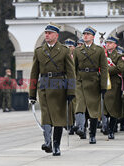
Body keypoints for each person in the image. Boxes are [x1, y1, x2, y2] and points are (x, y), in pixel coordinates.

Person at [29, 22, 75, 156]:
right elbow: (34, 74)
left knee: (58, 119)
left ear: (56, 35)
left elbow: (71, 72)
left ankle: (56, 145)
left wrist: (71, 91)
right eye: (46, 33)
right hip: (43, 86)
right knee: (46, 116)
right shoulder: (39, 51)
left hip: (59, 87)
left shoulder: (64, 50)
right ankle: (47, 142)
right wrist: (32, 94)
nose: (47, 35)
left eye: (49, 33)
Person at [73, 26, 108, 144]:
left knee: (93, 111)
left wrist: (103, 86)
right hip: (80, 81)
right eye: (84, 34)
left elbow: (104, 69)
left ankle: (92, 134)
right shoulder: (78, 50)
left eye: (88, 34)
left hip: (94, 81)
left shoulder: (99, 50)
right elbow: (74, 68)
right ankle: (81, 128)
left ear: (93, 37)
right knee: (80, 105)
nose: (85, 36)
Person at [102, 35, 124, 139]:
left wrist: (106, 71)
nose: (108, 45)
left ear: (115, 45)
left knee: (113, 108)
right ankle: (105, 125)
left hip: (114, 84)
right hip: (103, 83)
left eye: (110, 43)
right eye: (107, 43)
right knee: (104, 106)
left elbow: (120, 68)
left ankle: (111, 130)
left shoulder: (119, 56)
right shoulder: (102, 54)